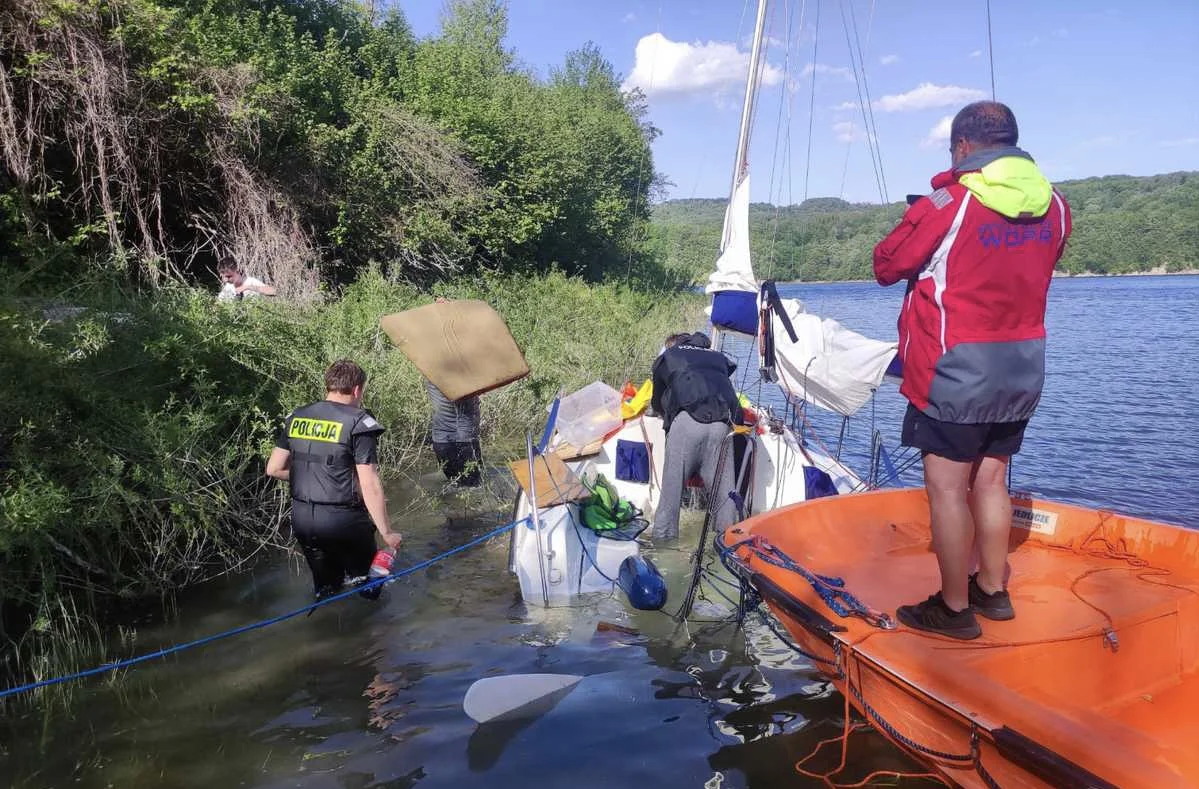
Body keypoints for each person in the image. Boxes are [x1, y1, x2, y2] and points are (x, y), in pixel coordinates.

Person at [873, 101, 1072, 640]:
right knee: (992, 478)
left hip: (955, 367)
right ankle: (993, 589)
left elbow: (886, 265)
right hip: (1023, 365)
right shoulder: (1056, 205)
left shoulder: (949, 203)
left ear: (963, 147)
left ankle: (955, 609)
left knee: (945, 486)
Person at [266, 359, 403, 600]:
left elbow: (274, 469)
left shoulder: (297, 417)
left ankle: (326, 627)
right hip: (344, 521)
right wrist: (387, 532)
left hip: (303, 520)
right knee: (369, 588)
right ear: (358, 389)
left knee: (328, 590)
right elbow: (369, 484)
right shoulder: (359, 423)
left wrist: (321, 479)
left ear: (328, 386)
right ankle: (374, 634)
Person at [649, 331, 743, 540]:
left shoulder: (670, 356)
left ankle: (662, 550)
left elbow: (656, 401)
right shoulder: (716, 357)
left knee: (670, 500)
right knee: (724, 501)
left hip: (686, 427)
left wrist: (661, 413)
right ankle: (727, 548)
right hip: (722, 427)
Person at [424, 377, 483, 487]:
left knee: (459, 489)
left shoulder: (430, 371)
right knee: (473, 491)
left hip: (443, 441)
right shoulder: (457, 376)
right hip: (460, 443)